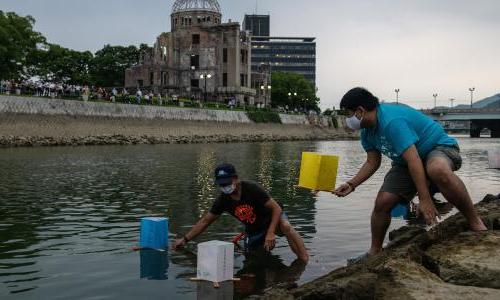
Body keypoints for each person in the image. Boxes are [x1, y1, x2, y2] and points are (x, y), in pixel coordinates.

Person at [334, 87, 487, 260]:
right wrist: (351, 184)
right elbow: (372, 162)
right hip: (406, 162)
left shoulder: (392, 122)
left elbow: (414, 159)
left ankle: (475, 222)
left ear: (360, 111)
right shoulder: (367, 131)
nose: (348, 119)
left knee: (437, 169)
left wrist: (424, 199)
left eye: (348, 114)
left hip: (437, 148)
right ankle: (374, 251)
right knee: (383, 202)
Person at [172, 163, 309, 262]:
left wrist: (271, 232)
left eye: (227, 183)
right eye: (221, 185)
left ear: (235, 179)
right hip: (253, 229)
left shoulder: (252, 188)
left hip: (272, 219)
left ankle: (304, 261)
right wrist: (185, 239)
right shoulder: (222, 200)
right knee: (252, 258)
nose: (225, 187)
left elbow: (277, 208)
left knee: (286, 226)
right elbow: (205, 221)